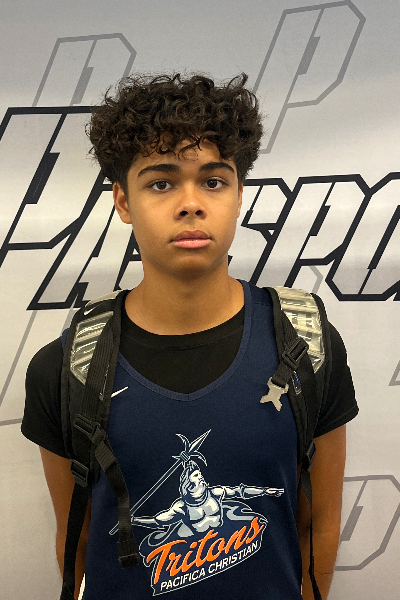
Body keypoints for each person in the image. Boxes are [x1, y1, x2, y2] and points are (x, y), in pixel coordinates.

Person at [21, 72, 358, 600]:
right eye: (161, 183)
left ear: (239, 194)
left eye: (213, 181)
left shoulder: (306, 347)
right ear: (123, 201)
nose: (191, 203)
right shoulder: (65, 369)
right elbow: (78, 543)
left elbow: (319, 526)